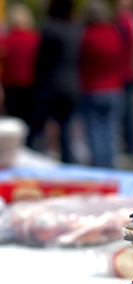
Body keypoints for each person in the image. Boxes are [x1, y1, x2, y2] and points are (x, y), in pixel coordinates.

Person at [28, 0, 81, 163]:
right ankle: (68, 167)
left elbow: (40, 61)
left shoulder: (50, 28)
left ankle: (30, 165)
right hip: (71, 85)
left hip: (50, 86)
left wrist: (35, 84)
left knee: (36, 132)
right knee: (65, 133)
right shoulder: (76, 29)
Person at [79, 0, 124, 168]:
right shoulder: (114, 33)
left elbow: (82, 62)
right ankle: (111, 169)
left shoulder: (87, 35)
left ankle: (101, 171)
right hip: (114, 89)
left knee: (96, 136)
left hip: (94, 89)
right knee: (111, 135)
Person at [0, 4, 40, 126]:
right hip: (30, 85)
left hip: (10, 85)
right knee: (27, 121)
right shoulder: (34, 38)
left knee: (13, 121)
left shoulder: (7, 39)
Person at [115, 0, 133, 156]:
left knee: (127, 113)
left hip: (123, 73)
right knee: (132, 112)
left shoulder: (123, 22)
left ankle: (130, 148)